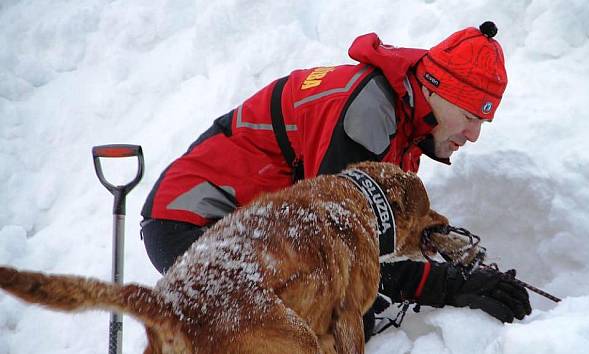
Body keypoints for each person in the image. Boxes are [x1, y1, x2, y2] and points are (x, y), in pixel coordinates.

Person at [140, 21, 532, 340]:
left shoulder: (405, 116)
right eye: (470, 117)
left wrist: (434, 240)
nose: (474, 134)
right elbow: (341, 254)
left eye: (483, 120)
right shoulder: (368, 117)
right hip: (195, 225)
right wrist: (447, 285)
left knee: (352, 313)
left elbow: (373, 225)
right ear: (436, 91)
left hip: (247, 228)